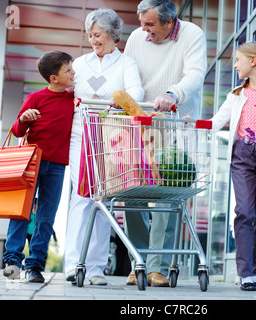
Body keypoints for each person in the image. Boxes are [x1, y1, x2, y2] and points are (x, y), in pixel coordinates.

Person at [187, 41, 256, 291]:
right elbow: (216, 123)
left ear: (253, 61)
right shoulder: (236, 94)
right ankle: (245, 273)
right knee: (244, 212)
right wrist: (193, 123)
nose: (235, 64)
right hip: (241, 155)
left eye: (238, 60)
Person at [123, 0, 207, 287]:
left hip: (175, 123)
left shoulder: (192, 34)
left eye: (150, 25)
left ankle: (156, 265)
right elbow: (128, 72)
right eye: (142, 23)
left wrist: (173, 93)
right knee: (131, 191)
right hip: (141, 124)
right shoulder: (137, 38)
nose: (144, 31)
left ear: (169, 22)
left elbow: (195, 73)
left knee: (166, 193)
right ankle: (138, 261)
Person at [63, 8, 144, 286]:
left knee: (104, 199)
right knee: (82, 195)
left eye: (97, 34)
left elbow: (136, 92)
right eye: (90, 35)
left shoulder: (126, 63)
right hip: (80, 132)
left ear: (112, 35)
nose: (93, 40)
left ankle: (95, 268)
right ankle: (75, 264)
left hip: (111, 133)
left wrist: (119, 99)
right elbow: (66, 91)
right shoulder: (81, 63)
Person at [2, 50, 75, 283]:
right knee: (21, 212)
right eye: (69, 70)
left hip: (57, 166)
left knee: (46, 217)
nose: (73, 73)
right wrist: (24, 118)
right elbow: (17, 130)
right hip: (32, 162)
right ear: (54, 78)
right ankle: (13, 261)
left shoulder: (74, 100)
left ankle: (34, 266)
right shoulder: (35, 98)